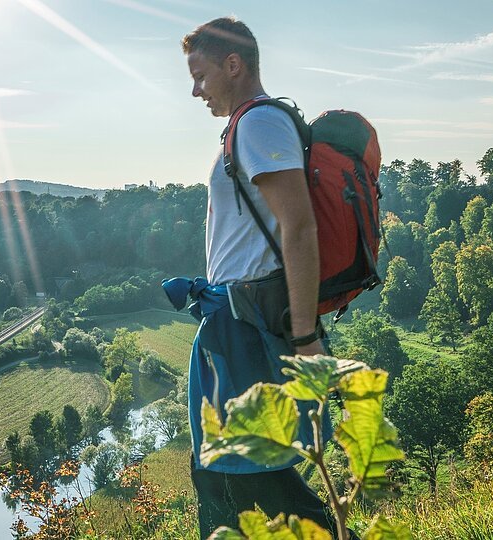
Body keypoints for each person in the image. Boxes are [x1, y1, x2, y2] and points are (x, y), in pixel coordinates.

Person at [171, 16, 342, 538]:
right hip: (235, 321)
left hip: (249, 328)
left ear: (233, 64)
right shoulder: (247, 125)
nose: (194, 89)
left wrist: (307, 337)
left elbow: (299, 226)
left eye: (200, 76)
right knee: (222, 474)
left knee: (246, 479)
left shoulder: (258, 124)